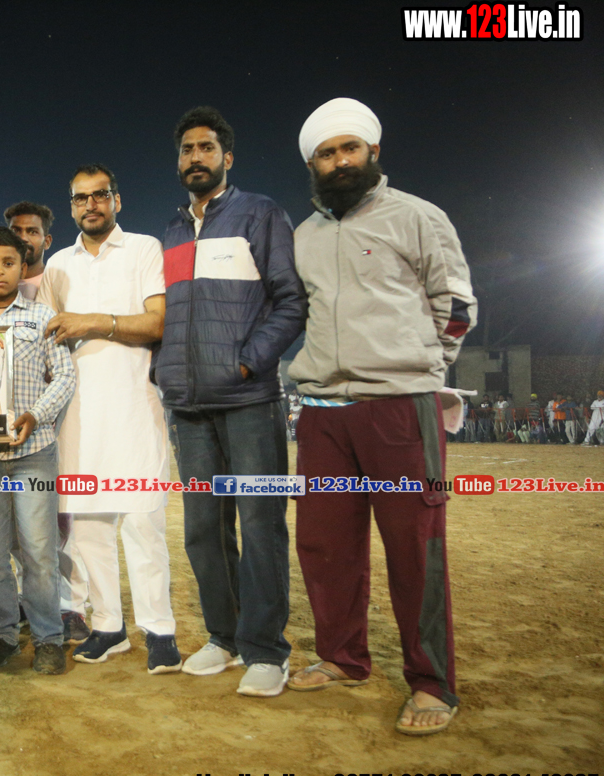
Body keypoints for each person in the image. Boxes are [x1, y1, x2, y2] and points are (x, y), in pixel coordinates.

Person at [287, 98, 477, 736]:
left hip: (399, 409)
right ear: (312, 164)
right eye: (327, 153)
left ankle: (431, 682)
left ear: (372, 151)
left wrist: (422, 368)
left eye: (350, 148)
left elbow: (456, 308)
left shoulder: (418, 217)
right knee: (325, 547)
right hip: (322, 414)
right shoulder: (304, 237)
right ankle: (343, 657)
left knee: (414, 548)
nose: (340, 161)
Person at [156, 107, 307, 696]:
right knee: (203, 528)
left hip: (248, 401)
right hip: (189, 408)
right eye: (186, 149)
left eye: (206, 148)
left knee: (261, 523)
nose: (195, 157)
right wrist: (166, 370)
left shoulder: (260, 213)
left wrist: (247, 361)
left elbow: (291, 300)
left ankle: (266, 649)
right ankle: (224, 636)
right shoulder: (171, 231)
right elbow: (166, 315)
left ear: (227, 158)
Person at [37, 163, 180, 673]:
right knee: (90, 528)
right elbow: (46, 334)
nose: (91, 205)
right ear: (72, 206)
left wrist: (93, 322)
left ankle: (159, 629)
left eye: (100, 195)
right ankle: (108, 627)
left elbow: (158, 323)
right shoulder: (58, 265)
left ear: (117, 200)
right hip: (77, 413)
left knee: (143, 522)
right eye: (81, 198)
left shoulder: (143, 249)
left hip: (136, 404)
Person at [0, 227, 76, 673]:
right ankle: (2, 635)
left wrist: (35, 416)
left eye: (9, 263)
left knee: (39, 552)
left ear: (23, 268)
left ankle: (48, 639)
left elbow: (65, 376)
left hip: (34, 453)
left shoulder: (43, 317)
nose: (0, 271)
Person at [4, 202, 91, 645]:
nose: (24, 237)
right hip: (14, 424)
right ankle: (35, 599)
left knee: (62, 516)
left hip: (60, 413)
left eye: (32, 231)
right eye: (16, 230)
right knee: (21, 523)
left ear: (46, 239)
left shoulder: (60, 279)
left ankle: (71, 605)